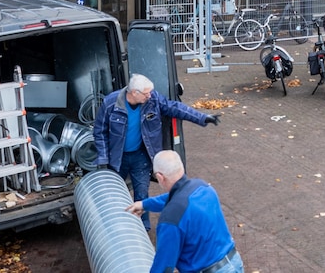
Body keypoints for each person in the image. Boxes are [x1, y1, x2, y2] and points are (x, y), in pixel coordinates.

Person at [94, 74, 220, 232]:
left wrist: (202, 117)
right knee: (115, 193)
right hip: (117, 157)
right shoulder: (111, 103)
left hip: (140, 155)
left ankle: (143, 228)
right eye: (146, 93)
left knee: (141, 192)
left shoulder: (152, 100)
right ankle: (116, 227)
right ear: (134, 92)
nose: (150, 96)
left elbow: (175, 107)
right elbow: (100, 132)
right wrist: (103, 158)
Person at [127, 150, 242, 273]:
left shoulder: (170, 219)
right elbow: (176, 198)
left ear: (160, 177)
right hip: (233, 262)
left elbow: (164, 265)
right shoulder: (203, 187)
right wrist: (145, 204)